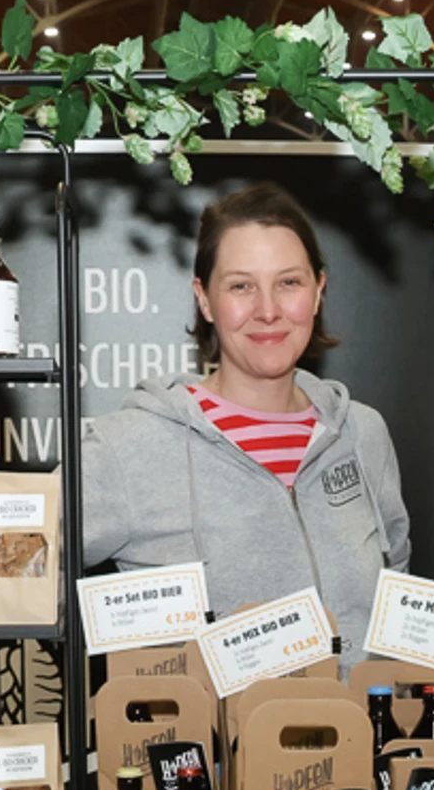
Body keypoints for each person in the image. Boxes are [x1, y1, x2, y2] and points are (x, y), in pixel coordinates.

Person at [81, 183, 409, 660]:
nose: (268, 310)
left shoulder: (363, 434)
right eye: (241, 286)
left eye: (289, 283)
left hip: (357, 711)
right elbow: (16, 578)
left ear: (318, 291)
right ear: (205, 299)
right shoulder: (128, 447)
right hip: (208, 715)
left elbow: (394, 589)